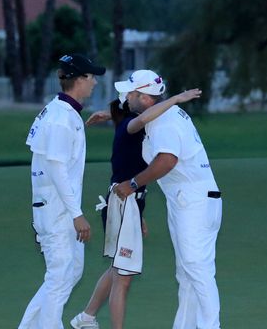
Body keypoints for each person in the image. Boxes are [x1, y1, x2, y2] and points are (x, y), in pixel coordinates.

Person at [70, 88, 202, 329]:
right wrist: (175, 99)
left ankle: (87, 317)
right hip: (122, 203)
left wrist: (138, 214)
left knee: (118, 269)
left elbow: (146, 115)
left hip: (130, 203)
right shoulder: (130, 125)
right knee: (124, 278)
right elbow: (143, 117)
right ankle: (96, 322)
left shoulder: (133, 125)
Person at [112, 70, 222, 329]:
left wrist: (134, 184)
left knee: (197, 269)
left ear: (145, 97)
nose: (126, 98)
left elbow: (167, 161)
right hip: (188, 199)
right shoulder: (161, 115)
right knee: (186, 274)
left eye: (131, 93)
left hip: (193, 200)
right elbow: (132, 123)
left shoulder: (165, 122)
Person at [19, 53, 106, 329]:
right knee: (59, 277)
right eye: (91, 77)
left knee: (71, 272)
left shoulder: (63, 112)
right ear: (79, 79)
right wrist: (77, 214)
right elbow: (56, 169)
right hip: (56, 211)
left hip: (59, 208)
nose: (94, 82)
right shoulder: (60, 118)